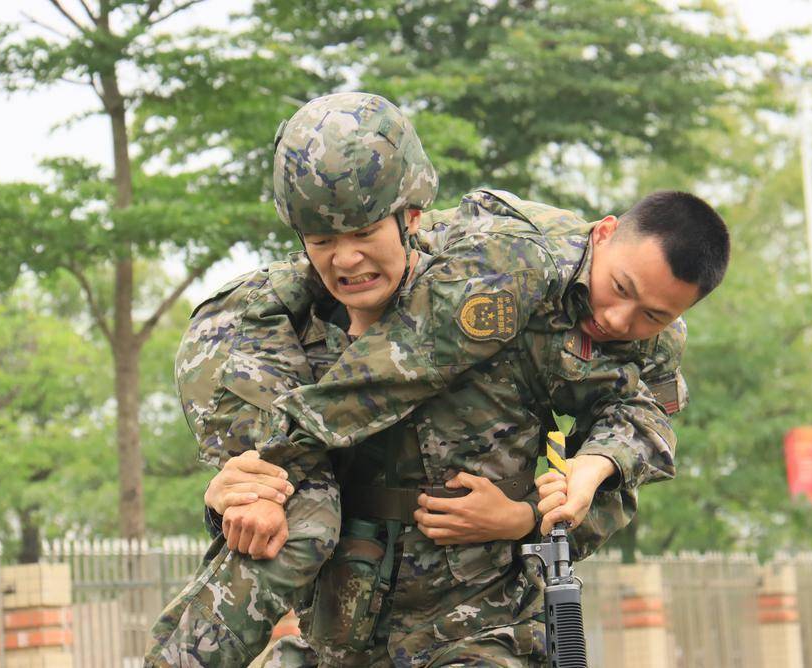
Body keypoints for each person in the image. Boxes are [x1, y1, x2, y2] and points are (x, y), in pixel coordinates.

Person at [145, 92, 727, 666]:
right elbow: (248, 430)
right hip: (338, 643)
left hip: (479, 635)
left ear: (411, 220)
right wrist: (236, 481)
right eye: (324, 241)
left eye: (367, 234)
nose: (347, 259)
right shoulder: (289, 332)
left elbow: (635, 420)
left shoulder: (518, 315)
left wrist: (527, 515)